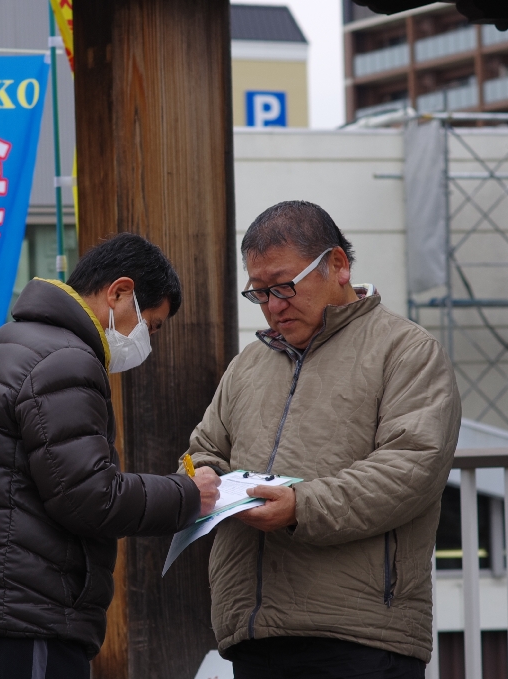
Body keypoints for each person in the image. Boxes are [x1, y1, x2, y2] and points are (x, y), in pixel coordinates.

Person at [182, 201, 461, 679]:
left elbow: (411, 468)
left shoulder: (406, 350)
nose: (273, 304)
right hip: (251, 632)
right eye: (260, 293)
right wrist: (202, 478)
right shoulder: (248, 364)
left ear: (338, 265)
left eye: (285, 285)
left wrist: (301, 507)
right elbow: (204, 448)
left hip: (361, 635)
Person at [0, 233, 220, 679]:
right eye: (152, 325)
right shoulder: (66, 359)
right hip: (28, 616)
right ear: (119, 292)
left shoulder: (7, 344)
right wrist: (187, 495)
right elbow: (89, 497)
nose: (147, 342)